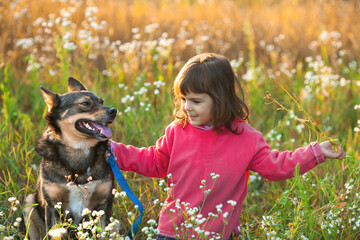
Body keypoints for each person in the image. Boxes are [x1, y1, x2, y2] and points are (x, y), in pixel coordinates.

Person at [109, 53, 346, 240]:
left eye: (196, 101)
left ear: (220, 99)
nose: (186, 108)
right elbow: (155, 161)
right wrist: (113, 151)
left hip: (219, 234)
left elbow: (276, 167)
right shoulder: (176, 130)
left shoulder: (246, 138)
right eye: (183, 99)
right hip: (173, 231)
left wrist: (315, 152)